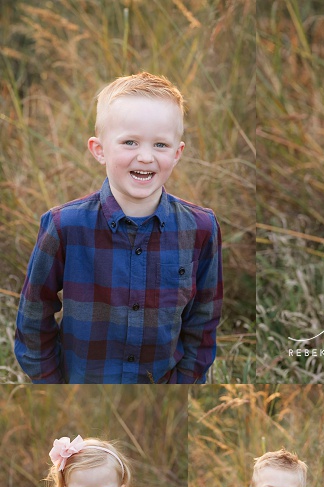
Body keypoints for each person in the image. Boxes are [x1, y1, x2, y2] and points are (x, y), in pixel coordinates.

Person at [15, 71, 223, 384]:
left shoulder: (201, 228)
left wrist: (184, 383)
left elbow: (203, 323)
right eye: (129, 142)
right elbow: (33, 318)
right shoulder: (64, 226)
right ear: (99, 149)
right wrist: (53, 383)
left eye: (160, 144)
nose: (145, 156)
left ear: (177, 153)